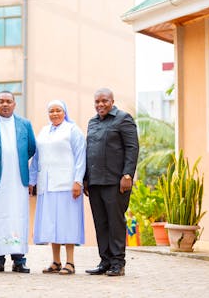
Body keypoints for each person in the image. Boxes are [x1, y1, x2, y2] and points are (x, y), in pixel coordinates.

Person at [0, 91, 36, 273]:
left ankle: (19, 260)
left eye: (8, 101)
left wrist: (16, 160)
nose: (5, 104)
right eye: (1, 101)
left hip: (18, 179)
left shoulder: (25, 124)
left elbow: (31, 147)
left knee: (18, 217)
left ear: (14, 104)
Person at [83, 88, 139, 277]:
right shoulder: (92, 122)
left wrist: (128, 175)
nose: (100, 104)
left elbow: (132, 148)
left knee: (115, 223)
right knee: (101, 223)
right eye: (97, 101)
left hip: (116, 181)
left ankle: (117, 263)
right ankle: (105, 261)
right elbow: (89, 151)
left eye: (104, 101)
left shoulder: (123, 119)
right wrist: (85, 179)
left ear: (112, 101)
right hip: (95, 182)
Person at [29, 100, 86, 275]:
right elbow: (36, 158)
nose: (54, 114)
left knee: (67, 222)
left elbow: (80, 156)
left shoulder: (72, 130)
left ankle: (70, 262)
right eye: (51, 111)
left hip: (67, 184)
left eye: (58, 110)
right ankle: (56, 261)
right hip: (47, 184)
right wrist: (32, 181)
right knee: (52, 223)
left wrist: (78, 181)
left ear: (64, 112)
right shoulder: (44, 131)